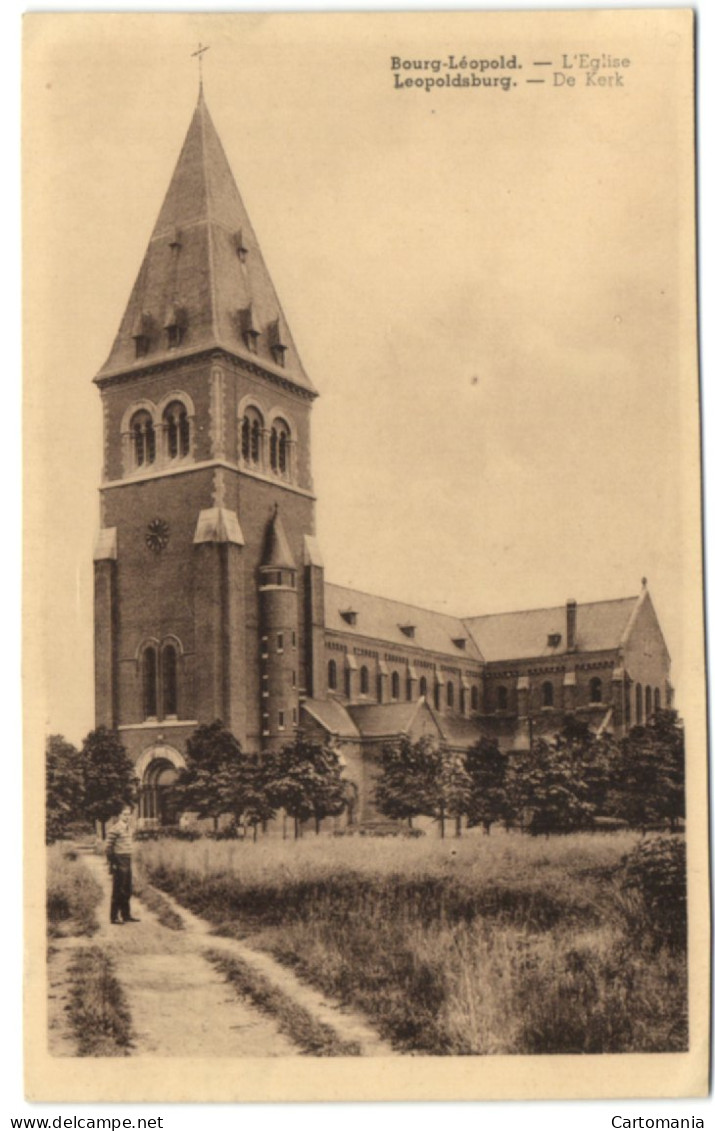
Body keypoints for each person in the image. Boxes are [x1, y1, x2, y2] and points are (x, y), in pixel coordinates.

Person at [105, 805, 139, 924]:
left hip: (127, 859)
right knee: (118, 889)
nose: (127, 817)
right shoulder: (115, 828)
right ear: (119, 815)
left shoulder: (129, 828)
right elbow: (108, 848)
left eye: (129, 814)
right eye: (125, 814)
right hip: (119, 860)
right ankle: (114, 917)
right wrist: (113, 863)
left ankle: (126, 915)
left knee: (127, 889)